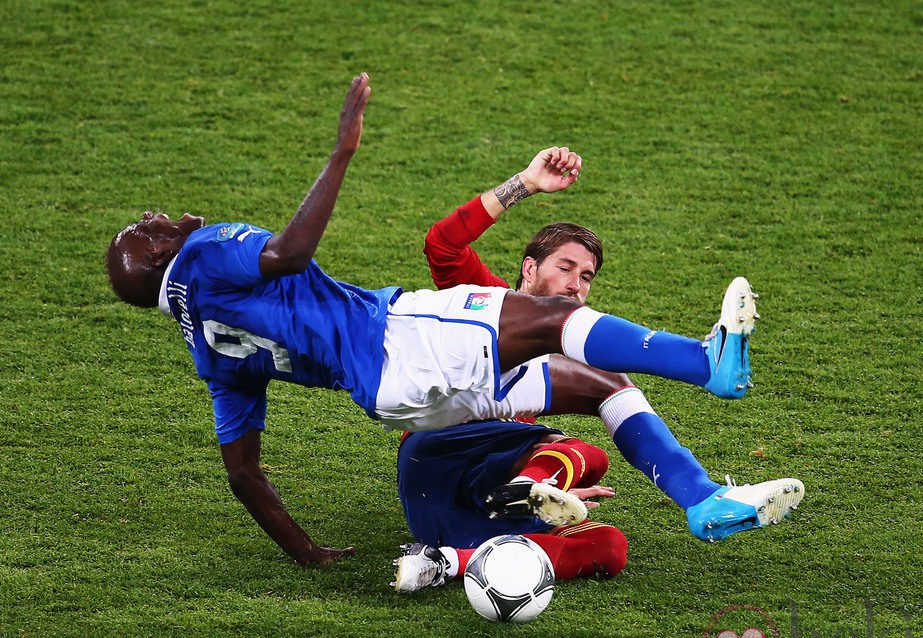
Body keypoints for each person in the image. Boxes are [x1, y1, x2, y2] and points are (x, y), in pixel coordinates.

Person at [105, 73, 803, 567]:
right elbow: (291, 254)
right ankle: (707, 363)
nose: (153, 217)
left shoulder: (208, 350)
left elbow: (243, 472)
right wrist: (343, 151)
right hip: (399, 345)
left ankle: (702, 498)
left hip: (397, 393)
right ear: (161, 252)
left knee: (603, 383)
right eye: (146, 227)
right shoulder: (204, 254)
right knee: (565, 322)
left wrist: (307, 552)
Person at [391, 148, 804, 591]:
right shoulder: (489, 303)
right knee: (600, 413)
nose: (576, 284)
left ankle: (443, 563)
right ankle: (696, 482)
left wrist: (555, 490)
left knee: (608, 546)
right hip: (438, 450)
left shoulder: (568, 343)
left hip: (461, 507)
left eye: (586, 276)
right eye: (565, 268)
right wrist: (525, 185)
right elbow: (443, 244)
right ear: (529, 269)